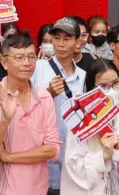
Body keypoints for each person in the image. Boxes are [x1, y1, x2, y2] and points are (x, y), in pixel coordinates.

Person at [0, 31, 61, 195]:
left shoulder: (43, 96)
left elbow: (53, 150)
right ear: (4, 62)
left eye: (31, 56)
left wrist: (9, 157)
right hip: (0, 189)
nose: (27, 63)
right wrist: (6, 119)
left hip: (38, 189)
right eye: (19, 58)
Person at [61, 58, 119, 195]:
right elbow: (73, 168)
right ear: (91, 88)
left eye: (115, 83)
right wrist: (103, 156)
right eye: (103, 86)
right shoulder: (79, 120)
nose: (111, 91)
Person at [32, 18, 88, 194]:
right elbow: (21, 110)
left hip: (72, 165)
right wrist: (48, 94)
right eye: (57, 38)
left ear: (78, 42)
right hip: (41, 163)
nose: (61, 44)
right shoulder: (36, 69)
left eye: (67, 38)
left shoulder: (85, 76)